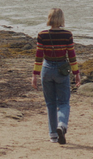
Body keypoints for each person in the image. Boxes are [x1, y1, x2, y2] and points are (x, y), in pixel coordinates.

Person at [31, 8, 82, 144]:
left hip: (46, 69)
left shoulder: (42, 34)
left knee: (50, 103)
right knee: (64, 102)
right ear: (61, 19)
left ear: (49, 18)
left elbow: (39, 56)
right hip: (61, 70)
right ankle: (62, 125)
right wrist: (77, 73)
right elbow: (71, 55)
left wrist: (35, 75)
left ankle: (53, 135)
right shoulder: (67, 35)